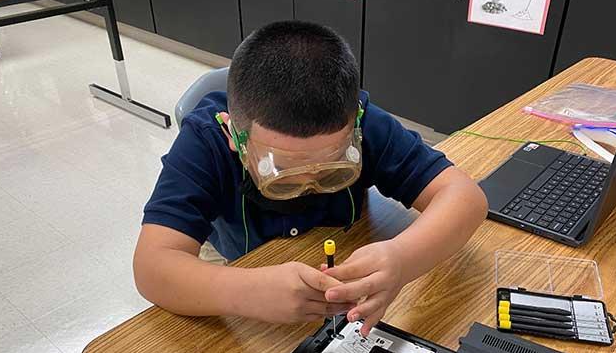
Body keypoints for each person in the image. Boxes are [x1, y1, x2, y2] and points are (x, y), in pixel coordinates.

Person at [134, 21, 487, 336]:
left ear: (355, 124)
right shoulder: (205, 141)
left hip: (336, 252)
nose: (308, 186)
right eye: (282, 174)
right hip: (235, 258)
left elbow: (464, 197)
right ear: (232, 135)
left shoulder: (365, 125)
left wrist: (401, 258)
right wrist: (244, 290)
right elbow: (153, 267)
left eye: (333, 169)